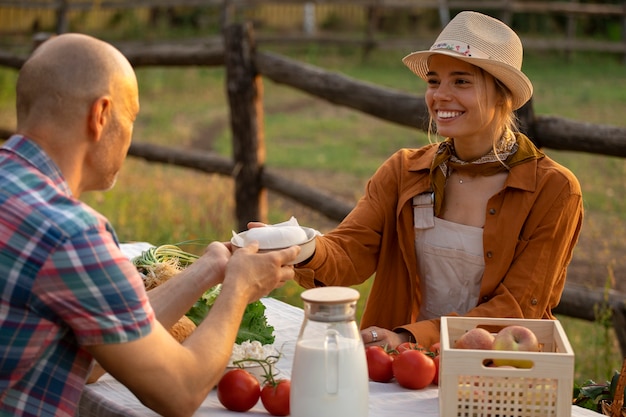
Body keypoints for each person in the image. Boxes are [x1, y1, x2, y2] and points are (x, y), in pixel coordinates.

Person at [0, 33, 299, 417]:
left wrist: (208, 270)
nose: (130, 134)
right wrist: (240, 288)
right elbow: (179, 391)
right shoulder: (71, 234)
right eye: (132, 117)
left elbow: (94, 356)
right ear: (101, 115)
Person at [292, 11, 583, 350]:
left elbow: (518, 307)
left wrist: (410, 338)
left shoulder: (554, 190)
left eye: (461, 81)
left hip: (494, 374)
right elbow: (349, 253)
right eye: (433, 81)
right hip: (398, 369)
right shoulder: (403, 171)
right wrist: (301, 245)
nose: (440, 95)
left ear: (503, 95)